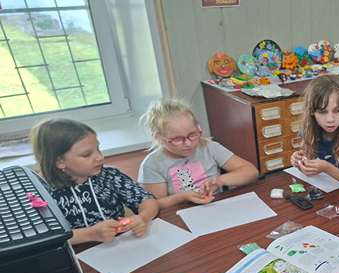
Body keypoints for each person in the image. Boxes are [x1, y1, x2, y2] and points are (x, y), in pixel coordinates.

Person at [31, 118, 159, 245]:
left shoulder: (109, 175)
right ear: (60, 162)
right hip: (78, 252)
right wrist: (90, 234)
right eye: (87, 154)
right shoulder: (42, 191)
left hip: (121, 244)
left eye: (98, 149)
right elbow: (44, 234)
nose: (100, 157)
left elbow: (147, 200)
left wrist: (143, 218)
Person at [138, 98, 258, 207]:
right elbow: (153, 205)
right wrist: (182, 197)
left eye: (192, 134)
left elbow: (251, 172)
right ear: (158, 137)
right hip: (180, 213)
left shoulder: (209, 147)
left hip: (216, 206)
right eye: (177, 139)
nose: (188, 143)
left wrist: (219, 181)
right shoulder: (152, 164)